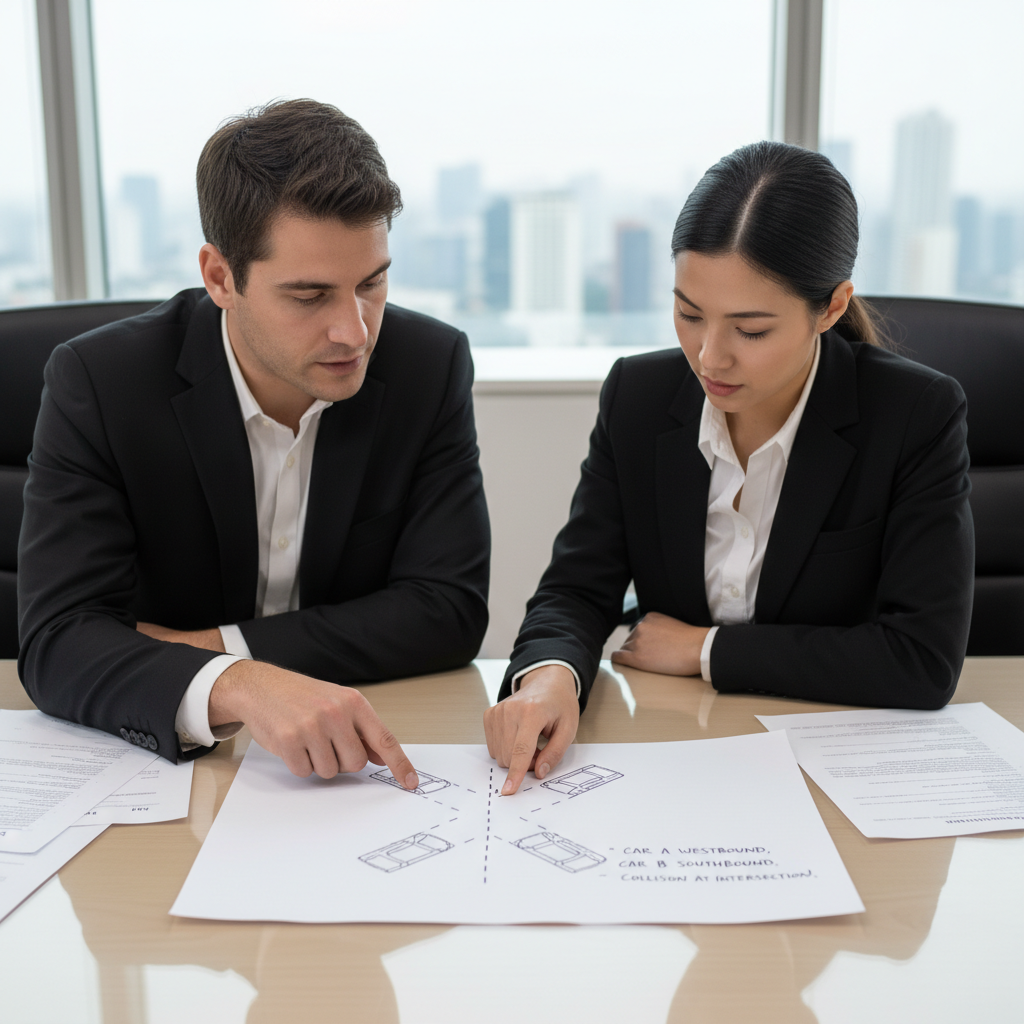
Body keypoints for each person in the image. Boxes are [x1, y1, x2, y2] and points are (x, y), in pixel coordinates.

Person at [18, 100, 490, 786]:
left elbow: (447, 610)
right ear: (220, 278)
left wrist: (217, 648)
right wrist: (236, 684)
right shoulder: (101, 382)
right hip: (166, 772)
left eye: (372, 283)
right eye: (309, 296)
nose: (354, 332)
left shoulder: (429, 364)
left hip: (362, 759)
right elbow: (58, 639)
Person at [485, 140, 974, 795]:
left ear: (830, 307)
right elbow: (577, 589)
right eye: (689, 314)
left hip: (841, 771)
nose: (710, 357)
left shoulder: (915, 414)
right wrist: (550, 675)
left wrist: (704, 649)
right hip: (679, 757)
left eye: (751, 330)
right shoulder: (639, 395)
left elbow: (920, 660)